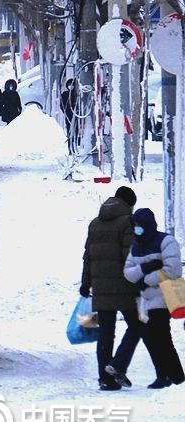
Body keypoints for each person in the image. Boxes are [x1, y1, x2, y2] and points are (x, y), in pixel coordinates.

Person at [80, 186, 142, 391]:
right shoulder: (127, 223)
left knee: (106, 332)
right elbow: (130, 256)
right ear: (129, 204)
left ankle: (106, 380)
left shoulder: (95, 224)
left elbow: (87, 257)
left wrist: (85, 283)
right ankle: (117, 365)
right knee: (137, 325)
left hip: (100, 287)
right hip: (124, 287)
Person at [123, 208, 185, 389]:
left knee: (161, 336)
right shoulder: (135, 246)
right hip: (144, 300)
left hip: (163, 296)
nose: (136, 229)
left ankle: (174, 376)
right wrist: (145, 269)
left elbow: (173, 270)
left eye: (139, 226)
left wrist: (147, 280)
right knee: (150, 338)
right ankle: (166, 374)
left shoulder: (166, 241)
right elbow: (128, 272)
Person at [60, 79, 78, 151]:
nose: (71, 87)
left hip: (76, 115)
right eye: (69, 85)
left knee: (77, 131)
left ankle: (76, 146)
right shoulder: (64, 94)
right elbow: (62, 105)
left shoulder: (77, 94)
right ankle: (70, 148)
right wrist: (65, 112)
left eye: (72, 85)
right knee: (69, 131)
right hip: (68, 115)